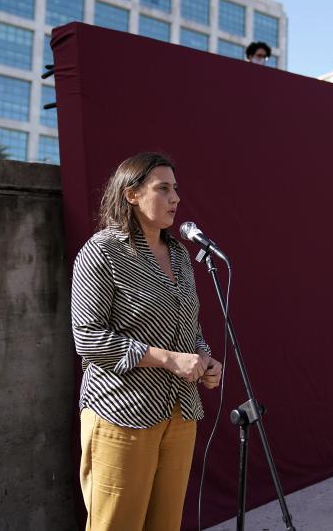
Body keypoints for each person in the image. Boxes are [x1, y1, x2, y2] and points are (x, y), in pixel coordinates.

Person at [71, 152, 223, 530]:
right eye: (163, 188)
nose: (175, 198)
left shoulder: (181, 255)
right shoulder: (102, 251)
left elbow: (188, 323)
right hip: (122, 411)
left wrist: (203, 357)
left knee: (166, 524)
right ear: (131, 194)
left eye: (176, 189)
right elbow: (88, 338)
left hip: (180, 412)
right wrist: (170, 360)